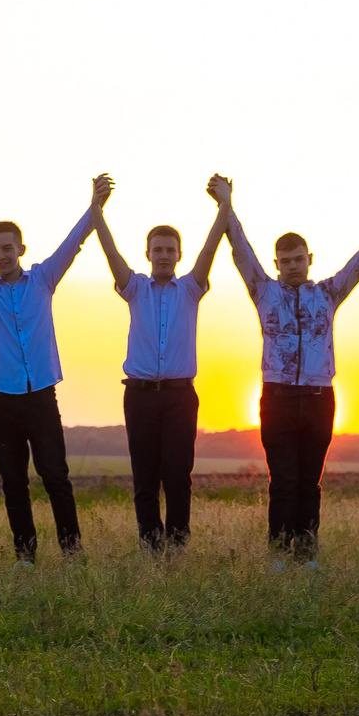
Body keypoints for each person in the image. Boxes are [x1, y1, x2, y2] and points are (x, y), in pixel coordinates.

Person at [211, 175, 359, 561]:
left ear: (309, 259)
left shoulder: (328, 293)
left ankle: (307, 553)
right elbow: (239, 248)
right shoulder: (264, 290)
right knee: (283, 481)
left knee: (310, 483)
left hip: (320, 398)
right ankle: (278, 556)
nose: (292, 266)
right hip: (278, 397)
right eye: (285, 261)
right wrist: (226, 203)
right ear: (276, 265)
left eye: (298, 259)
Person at [0, 175, 111, 562]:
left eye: (7, 248)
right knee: (13, 482)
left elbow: (74, 243)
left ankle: (72, 552)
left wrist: (95, 205)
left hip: (41, 396)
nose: (1, 255)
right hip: (2, 399)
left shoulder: (43, 279)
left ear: (21, 248)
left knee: (55, 476)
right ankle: (25, 556)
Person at [97, 196, 229, 551]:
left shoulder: (190, 289)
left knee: (177, 476)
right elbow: (111, 255)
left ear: (179, 255)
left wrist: (224, 208)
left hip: (179, 397)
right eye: (158, 249)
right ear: (148, 254)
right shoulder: (135, 289)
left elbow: (210, 248)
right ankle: (150, 543)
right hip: (139, 396)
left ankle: (178, 544)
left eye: (171, 249)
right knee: (145, 477)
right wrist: (98, 209)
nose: (164, 255)